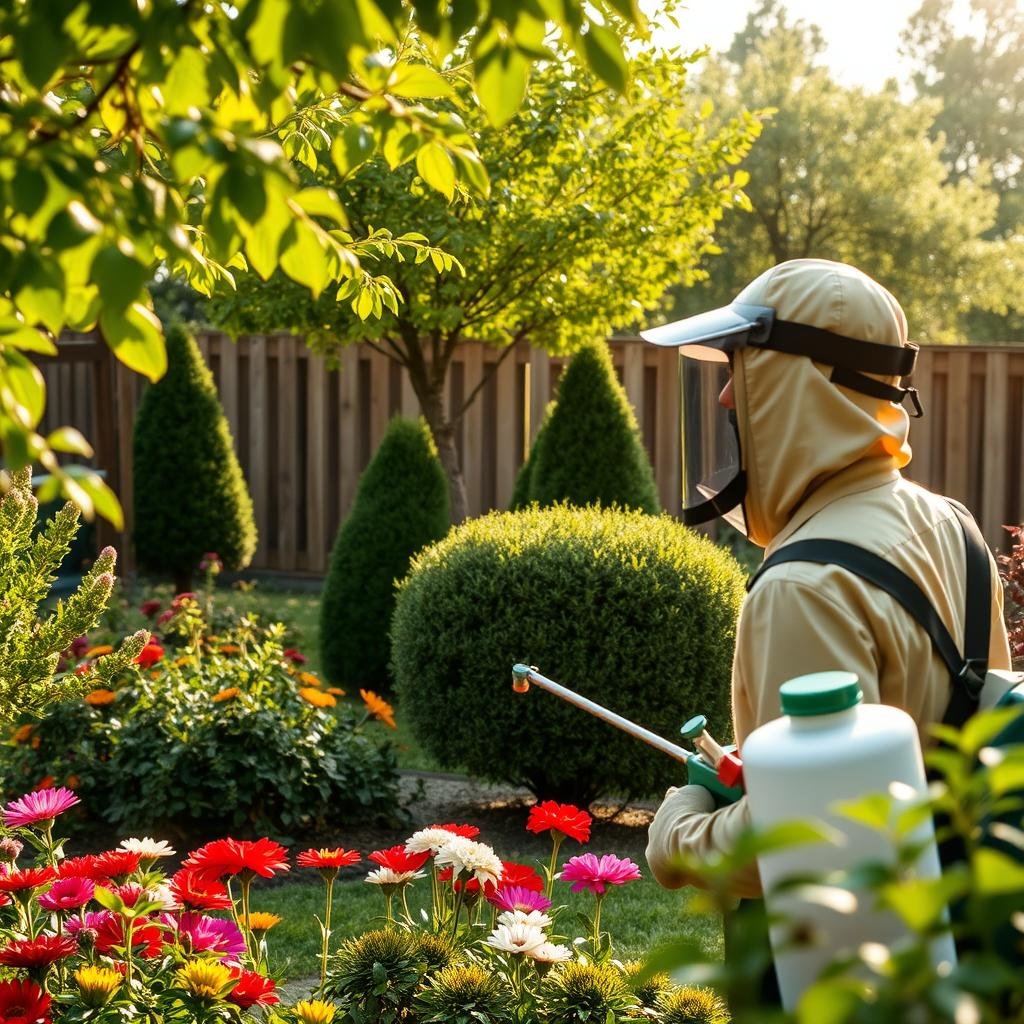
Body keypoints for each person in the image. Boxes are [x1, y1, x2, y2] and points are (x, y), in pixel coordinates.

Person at [640, 258, 1012, 910]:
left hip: (854, 953)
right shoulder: (951, 524)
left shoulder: (803, 584)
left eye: (742, 367)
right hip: (959, 929)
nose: (725, 396)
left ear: (798, 386)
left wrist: (677, 830)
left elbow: (810, 841)